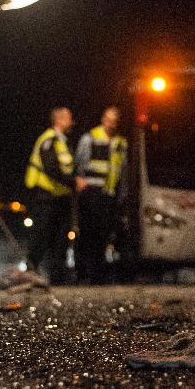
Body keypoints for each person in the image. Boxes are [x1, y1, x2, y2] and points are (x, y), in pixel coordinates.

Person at [24, 107, 86, 283]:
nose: (71, 121)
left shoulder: (63, 141)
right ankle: (30, 271)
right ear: (59, 120)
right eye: (68, 118)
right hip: (47, 196)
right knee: (42, 234)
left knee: (59, 239)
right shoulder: (49, 139)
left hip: (61, 197)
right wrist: (74, 182)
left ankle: (57, 277)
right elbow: (51, 168)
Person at [74, 106, 128, 284]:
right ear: (103, 119)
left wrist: (121, 194)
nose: (111, 123)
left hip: (109, 194)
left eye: (115, 120)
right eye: (109, 119)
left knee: (103, 235)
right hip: (91, 192)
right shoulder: (91, 137)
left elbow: (122, 170)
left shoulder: (120, 142)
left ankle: (98, 274)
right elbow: (80, 163)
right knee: (88, 233)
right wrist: (79, 179)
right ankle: (82, 273)